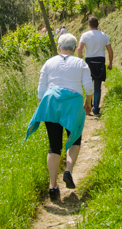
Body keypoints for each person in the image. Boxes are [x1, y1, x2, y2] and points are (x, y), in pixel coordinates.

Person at [24, 34, 94, 201]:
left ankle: (53, 186)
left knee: (54, 145)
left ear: (59, 47)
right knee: (75, 137)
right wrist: (88, 102)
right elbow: (89, 87)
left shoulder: (49, 62)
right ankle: (68, 170)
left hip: (51, 101)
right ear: (75, 47)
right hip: (73, 103)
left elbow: (41, 89)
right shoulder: (81, 63)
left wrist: (44, 105)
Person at [77, 16, 113, 115]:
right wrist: (110, 63)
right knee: (97, 86)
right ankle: (96, 109)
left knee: (88, 85)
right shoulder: (104, 35)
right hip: (100, 61)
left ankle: (89, 105)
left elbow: (79, 49)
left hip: (89, 61)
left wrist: (80, 62)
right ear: (98, 25)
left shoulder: (85, 35)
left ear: (89, 25)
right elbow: (110, 50)